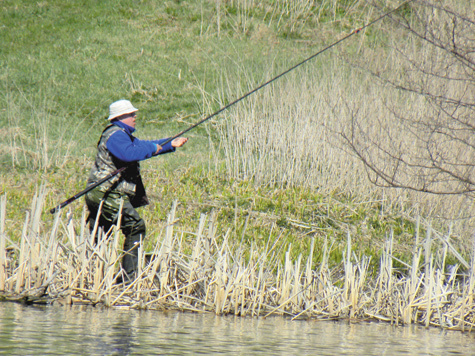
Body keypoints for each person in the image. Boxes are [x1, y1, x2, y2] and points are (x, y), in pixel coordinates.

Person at [85, 99, 188, 283]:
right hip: (107, 193)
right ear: (120, 117)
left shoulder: (122, 134)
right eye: (131, 114)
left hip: (99, 192)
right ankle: (128, 278)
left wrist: (170, 144)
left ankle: (89, 275)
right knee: (135, 226)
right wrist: (152, 148)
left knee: (100, 233)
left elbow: (140, 146)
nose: (135, 116)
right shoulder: (116, 135)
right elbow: (130, 153)